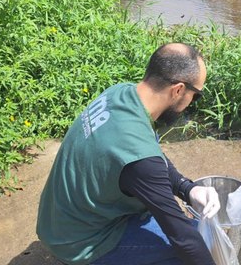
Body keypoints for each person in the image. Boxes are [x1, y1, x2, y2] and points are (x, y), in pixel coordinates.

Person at [37, 43, 220, 265]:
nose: (192, 103)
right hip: (81, 243)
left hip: (57, 223)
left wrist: (188, 188)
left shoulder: (121, 93)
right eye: (196, 95)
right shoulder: (142, 163)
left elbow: (150, 152)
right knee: (200, 243)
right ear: (179, 90)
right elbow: (183, 238)